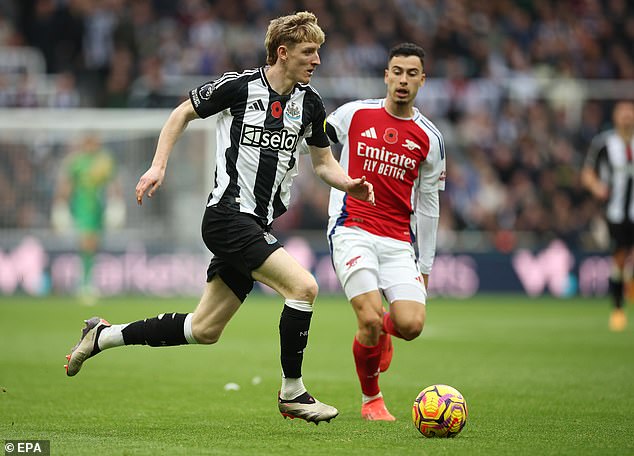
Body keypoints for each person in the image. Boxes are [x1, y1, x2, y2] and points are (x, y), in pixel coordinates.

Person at [64, 11, 374, 424]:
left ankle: (102, 335)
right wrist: (158, 166)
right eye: (308, 52)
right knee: (304, 287)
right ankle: (293, 392)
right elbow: (181, 114)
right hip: (227, 216)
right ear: (282, 53)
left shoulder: (311, 104)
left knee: (203, 329)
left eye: (318, 52)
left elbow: (322, 164)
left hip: (256, 224)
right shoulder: (239, 87)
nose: (317, 60)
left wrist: (348, 183)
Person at [325, 43, 446, 420]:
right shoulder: (353, 114)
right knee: (370, 319)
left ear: (422, 80)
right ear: (386, 75)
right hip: (351, 227)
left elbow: (428, 205)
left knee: (410, 325)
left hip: (397, 241)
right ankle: (371, 400)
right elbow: (316, 143)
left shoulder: (430, 139)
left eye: (412, 74)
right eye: (397, 71)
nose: (403, 80)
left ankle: (384, 333)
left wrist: (425, 264)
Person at [581, 100, 634, 332]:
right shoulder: (604, 143)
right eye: (622, 112)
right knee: (619, 259)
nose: (627, 116)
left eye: (630, 112)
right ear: (615, 117)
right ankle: (617, 309)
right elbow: (587, 173)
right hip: (616, 212)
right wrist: (596, 187)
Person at [52, 133, 122, 303]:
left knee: (93, 245)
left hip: (99, 207)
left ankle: (88, 283)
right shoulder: (76, 162)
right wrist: (60, 206)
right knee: (87, 243)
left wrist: (116, 204)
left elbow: (113, 184)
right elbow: (66, 185)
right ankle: (85, 285)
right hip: (82, 207)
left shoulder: (104, 161)